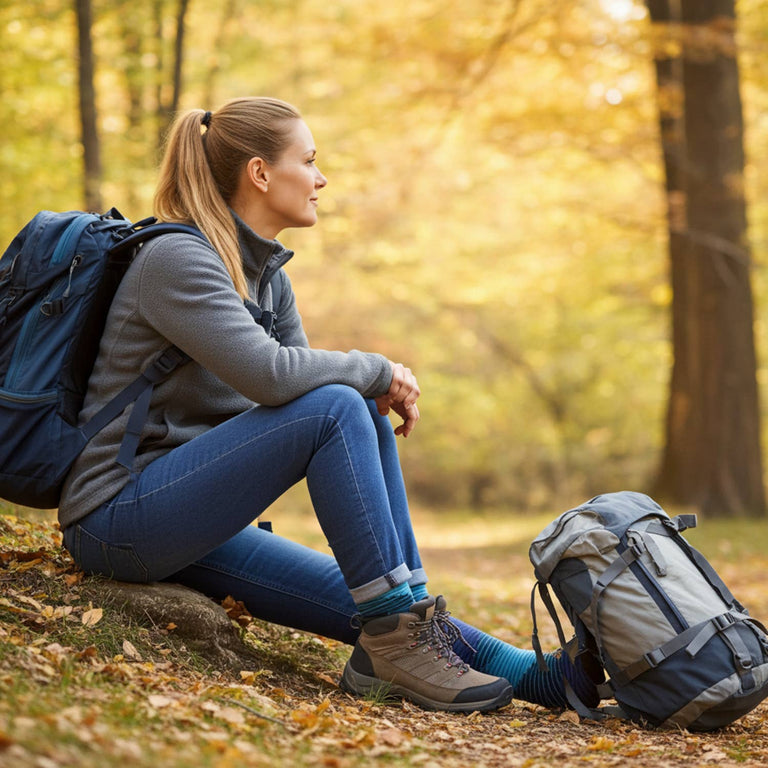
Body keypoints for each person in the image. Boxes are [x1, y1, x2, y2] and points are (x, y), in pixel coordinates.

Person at [59, 97, 598, 713]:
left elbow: (302, 392)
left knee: (373, 595)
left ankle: (532, 676)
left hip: (193, 519)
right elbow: (274, 379)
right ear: (261, 173)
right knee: (344, 403)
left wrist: (368, 390)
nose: (321, 179)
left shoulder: (268, 278)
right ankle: (401, 642)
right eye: (309, 161)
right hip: (117, 516)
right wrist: (378, 370)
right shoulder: (177, 260)